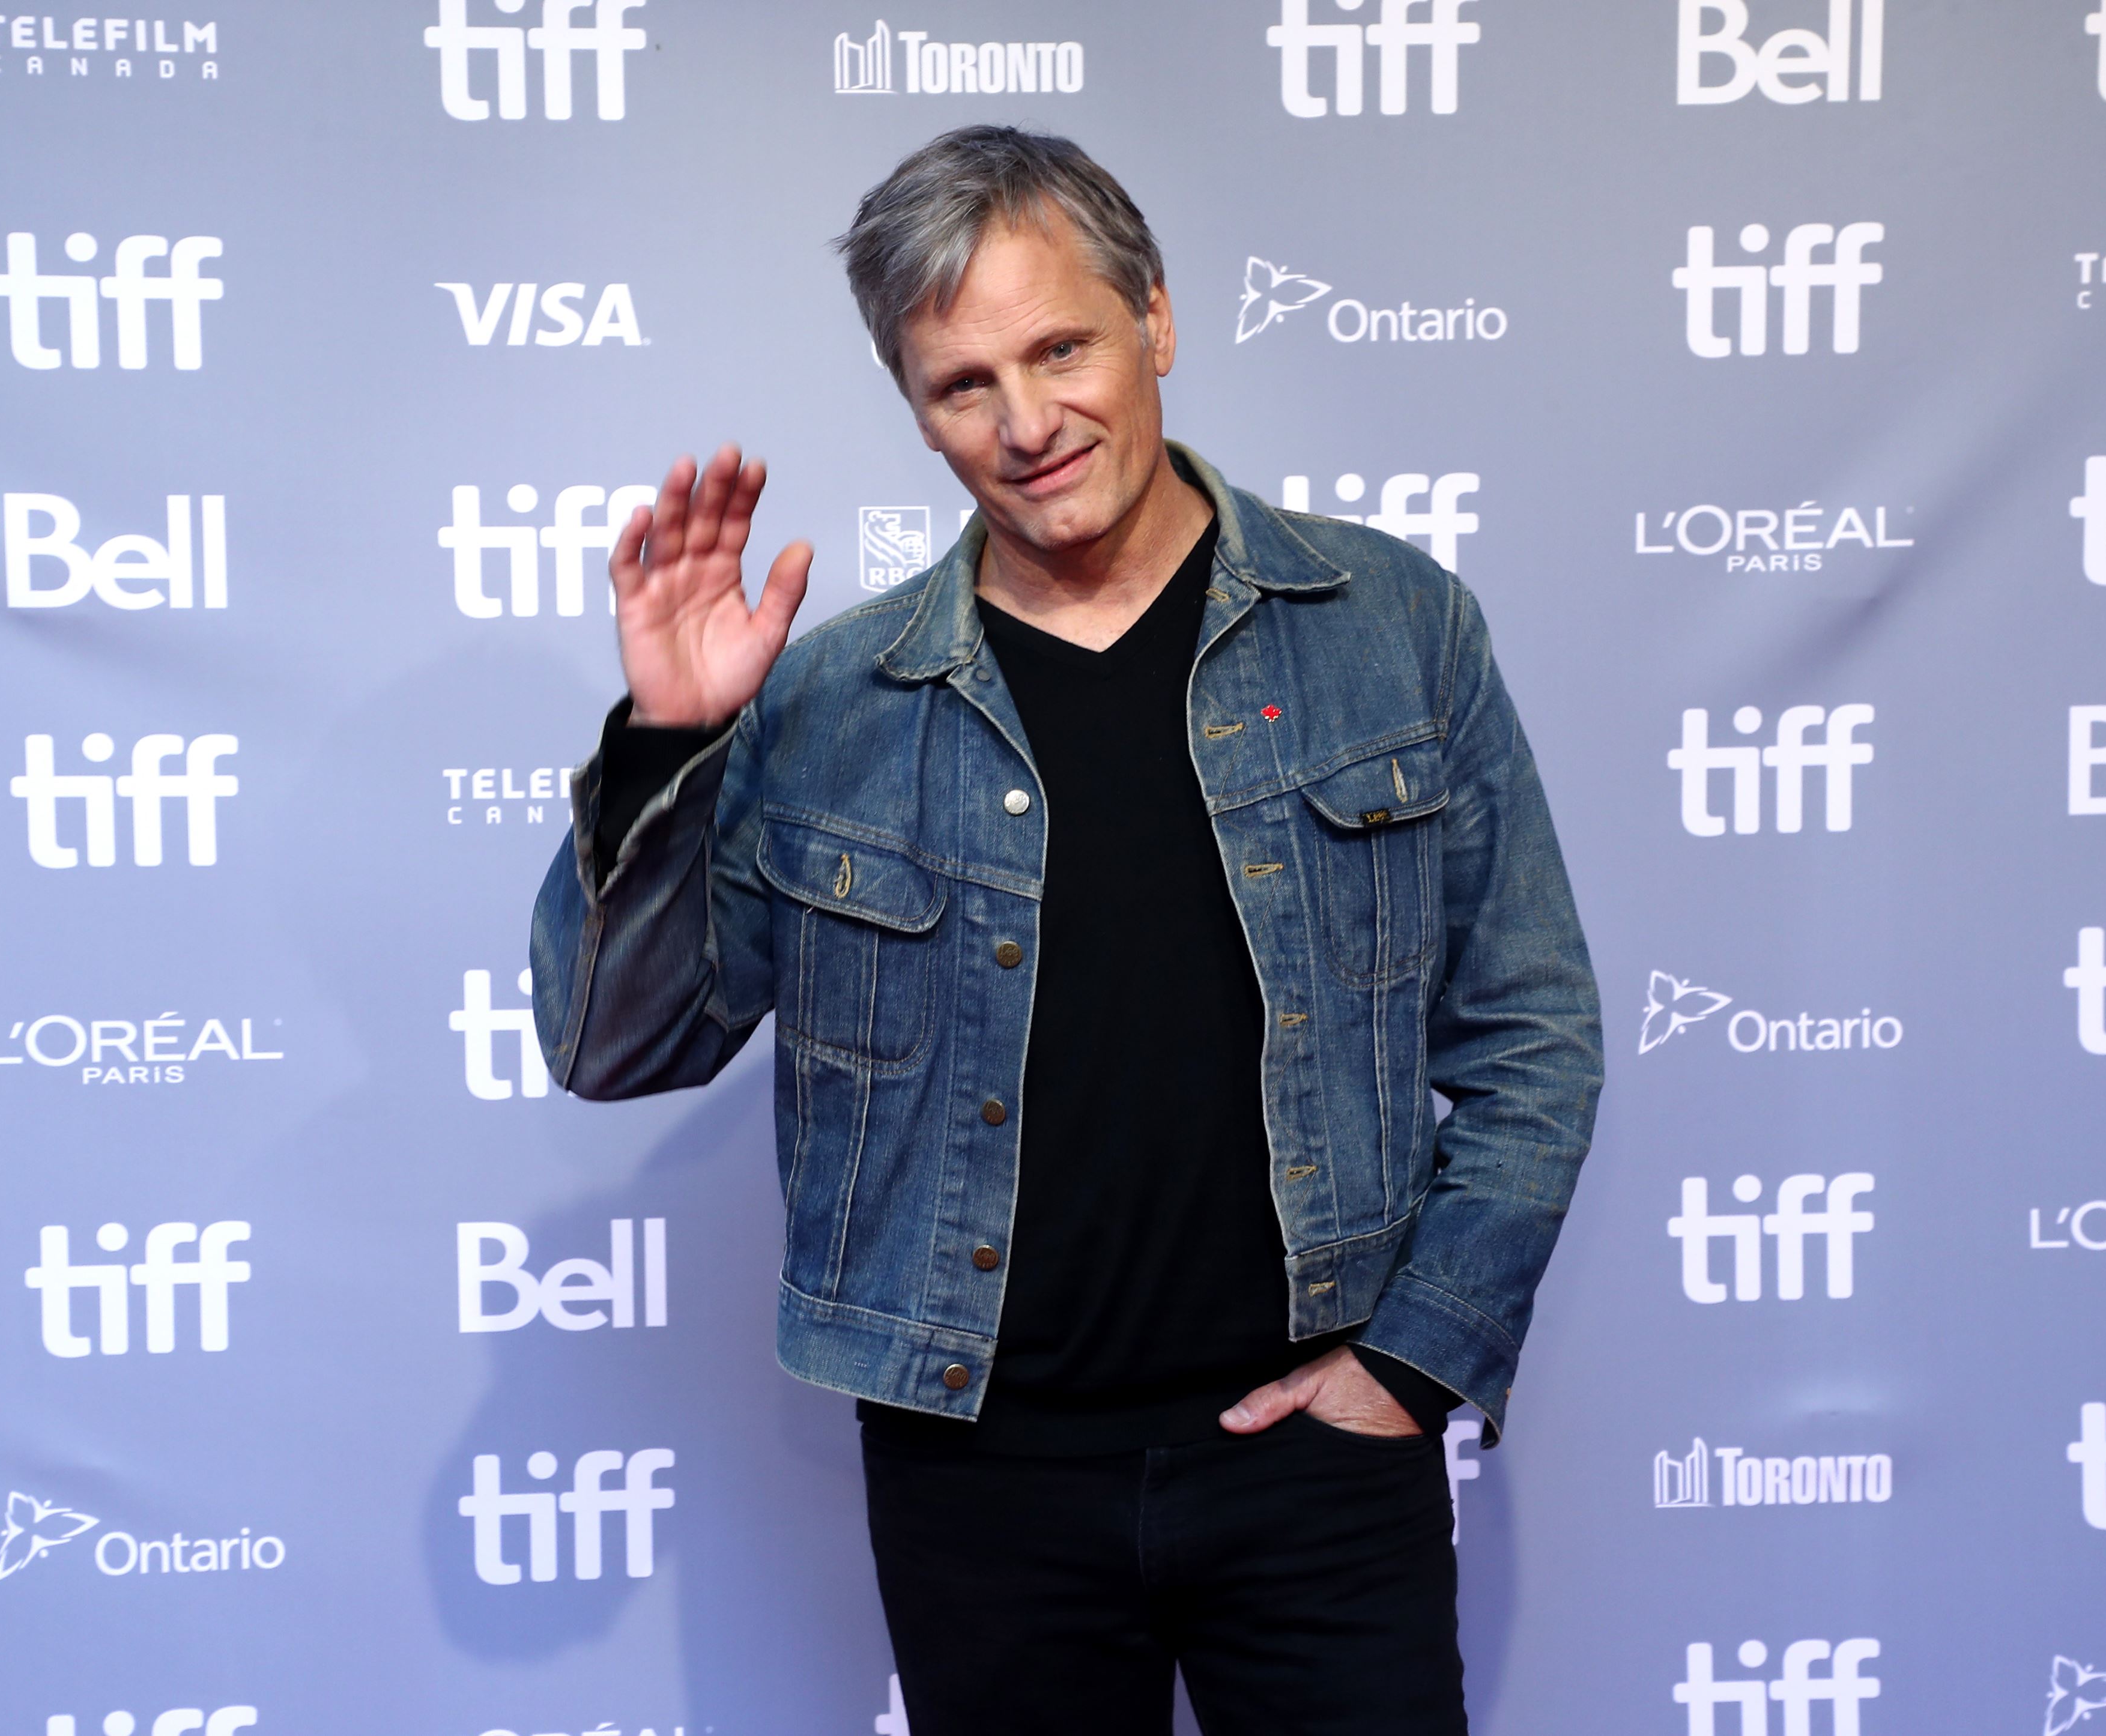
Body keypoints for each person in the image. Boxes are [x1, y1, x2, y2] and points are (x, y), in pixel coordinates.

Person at [530, 125, 1602, 1736]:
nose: (1026, 425)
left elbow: (1533, 1035)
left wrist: (1410, 1365)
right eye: (965, 384)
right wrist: (673, 743)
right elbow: (617, 1045)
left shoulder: (1393, 630)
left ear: (1156, 322)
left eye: (1061, 349)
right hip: (986, 1487)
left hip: (1318, 1471)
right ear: (915, 406)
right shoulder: (829, 702)